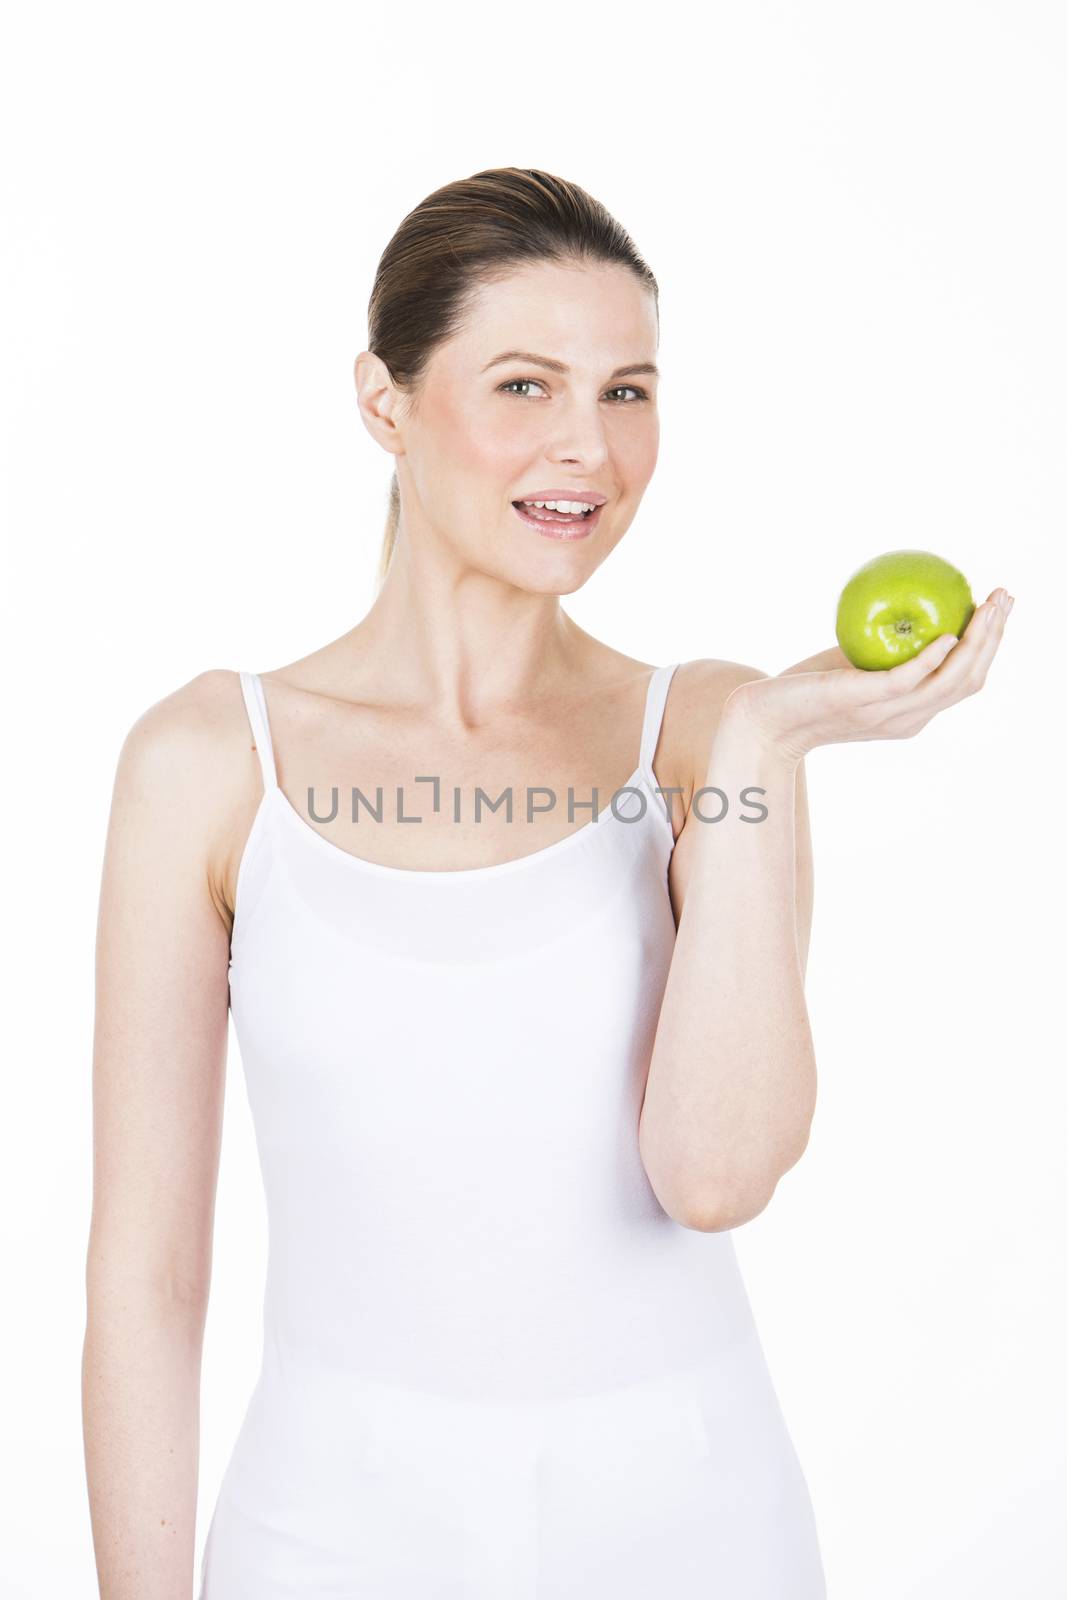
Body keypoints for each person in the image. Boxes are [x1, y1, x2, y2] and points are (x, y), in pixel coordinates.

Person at [83, 166, 1013, 1599]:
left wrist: (768, 736)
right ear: (385, 402)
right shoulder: (211, 762)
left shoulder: (710, 734)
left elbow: (715, 1174)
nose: (590, 447)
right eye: (526, 386)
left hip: (694, 1530)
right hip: (330, 1536)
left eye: (628, 392)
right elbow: (149, 1282)